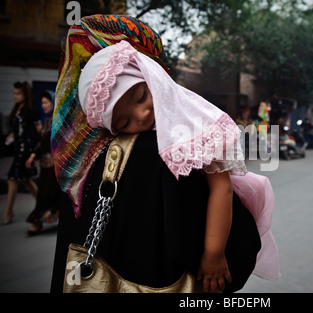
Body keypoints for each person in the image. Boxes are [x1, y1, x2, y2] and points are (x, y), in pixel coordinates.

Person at [50, 15, 270, 293]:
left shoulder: (197, 122)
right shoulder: (133, 148)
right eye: (124, 123)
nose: (142, 116)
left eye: (141, 97)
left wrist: (213, 254)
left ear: (151, 74)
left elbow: (221, 188)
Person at [1, 82, 40, 225]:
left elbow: (37, 132)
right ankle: (43, 205)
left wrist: (35, 152)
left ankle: (8, 212)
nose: (15, 96)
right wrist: (11, 135)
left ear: (25, 94)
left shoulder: (31, 110)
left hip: (26, 150)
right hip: (18, 149)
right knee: (26, 180)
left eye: (18, 93)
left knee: (12, 178)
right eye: (14, 93)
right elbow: (19, 129)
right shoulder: (16, 109)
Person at [25, 91, 62, 235]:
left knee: (49, 194)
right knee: (43, 193)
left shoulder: (59, 120)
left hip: (55, 166)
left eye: (46, 102)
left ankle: (37, 221)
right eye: (42, 103)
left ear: (53, 102)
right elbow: (41, 143)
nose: (44, 105)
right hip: (45, 166)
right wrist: (33, 156)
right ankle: (40, 220)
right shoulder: (47, 121)